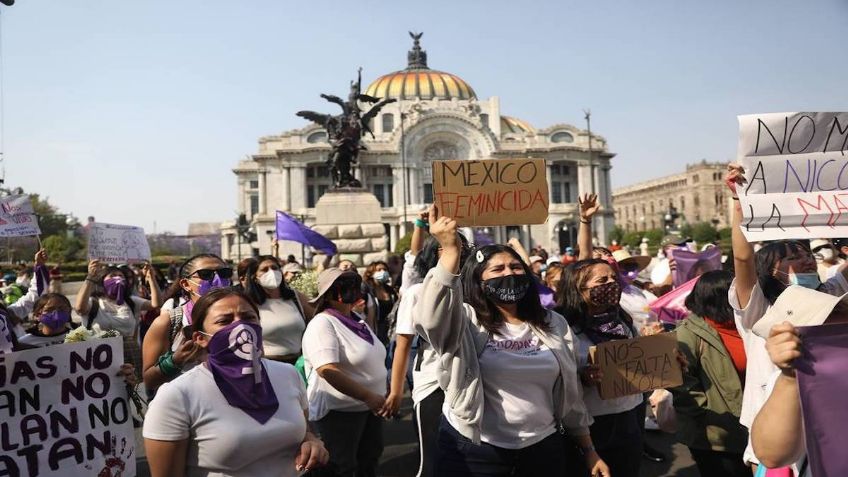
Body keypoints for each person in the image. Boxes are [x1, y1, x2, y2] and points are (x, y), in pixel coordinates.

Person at [417, 206, 610, 477]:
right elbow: (430, 320)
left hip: (542, 448)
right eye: (497, 269)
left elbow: (571, 392)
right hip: (477, 451)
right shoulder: (465, 321)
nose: (509, 273)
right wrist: (449, 251)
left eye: (516, 266)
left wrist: (588, 449)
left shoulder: (553, 323)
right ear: (478, 281)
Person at [725, 163, 848, 469]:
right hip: (777, 433)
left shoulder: (830, 294)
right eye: (793, 258)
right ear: (768, 269)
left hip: (829, 423)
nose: (805, 261)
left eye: (808, 256)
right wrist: (740, 202)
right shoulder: (758, 309)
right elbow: (743, 257)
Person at [143, 288, 329, 477]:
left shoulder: (288, 375)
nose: (240, 326)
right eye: (224, 321)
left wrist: (313, 441)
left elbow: (305, 430)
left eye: (248, 317)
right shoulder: (178, 395)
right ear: (200, 338)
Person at [386, 234, 471, 477]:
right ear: (435, 254)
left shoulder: (473, 288)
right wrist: (395, 391)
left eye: (462, 249)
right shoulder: (416, 292)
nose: (460, 254)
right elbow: (403, 345)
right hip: (432, 383)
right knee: (432, 459)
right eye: (452, 248)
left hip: (469, 381)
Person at [557, 258, 646, 477]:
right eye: (602, 280)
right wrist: (583, 377)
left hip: (629, 417)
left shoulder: (623, 321)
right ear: (578, 288)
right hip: (590, 424)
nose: (611, 284)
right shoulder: (563, 327)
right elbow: (558, 378)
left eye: (613, 278)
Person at [302, 268, 387, 477]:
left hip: (369, 409)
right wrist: (367, 395)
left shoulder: (357, 320)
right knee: (341, 467)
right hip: (340, 412)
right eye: (343, 284)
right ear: (328, 293)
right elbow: (327, 369)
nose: (351, 289)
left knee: (368, 461)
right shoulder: (323, 323)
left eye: (353, 283)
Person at [670, 270, 750, 477]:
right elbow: (681, 383)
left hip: (754, 427)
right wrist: (703, 414)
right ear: (720, 298)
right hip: (716, 439)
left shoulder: (748, 324)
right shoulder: (688, 333)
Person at [142, 254, 232, 391]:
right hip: (184, 407)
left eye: (224, 273)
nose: (217, 280)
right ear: (186, 284)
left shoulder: (240, 316)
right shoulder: (168, 321)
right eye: (206, 274)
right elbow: (149, 381)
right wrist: (175, 361)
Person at [75, 260, 162, 380]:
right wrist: (90, 277)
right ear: (102, 281)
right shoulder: (93, 303)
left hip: (129, 354)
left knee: (129, 390)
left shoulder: (131, 302)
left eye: (121, 276)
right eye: (112, 276)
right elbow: (79, 308)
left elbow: (156, 304)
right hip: (99, 355)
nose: (118, 279)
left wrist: (151, 278)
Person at [244, 255, 311, 364]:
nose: (271, 272)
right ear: (255, 277)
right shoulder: (249, 303)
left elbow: (315, 322)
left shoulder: (296, 297)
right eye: (264, 270)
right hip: (268, 365)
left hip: (300, 363)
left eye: (274, 268)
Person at [363, 260, 397, 345]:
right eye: (379, 270)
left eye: (385, 269)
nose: (383, 272)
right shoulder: (367, 290)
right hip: (374, 329)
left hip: (389, 330)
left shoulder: (390, 291)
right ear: (371, 273)